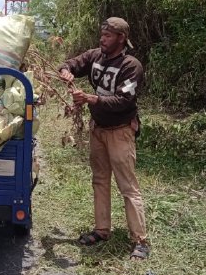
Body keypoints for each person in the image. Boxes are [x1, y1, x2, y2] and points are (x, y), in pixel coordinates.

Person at [58, 17, 150, 260]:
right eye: (102, 34)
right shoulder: (96, 56)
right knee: (100, 180)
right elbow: (70, 63)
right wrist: (67, 72)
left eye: (108, 36)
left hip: (120, 131)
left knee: (127, 186)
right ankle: (102, 230)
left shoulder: (131, 66)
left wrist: (91, 99)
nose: (103, 39)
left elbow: (124, 101)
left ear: (121, 38)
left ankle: (140, 240)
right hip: (97, 129)